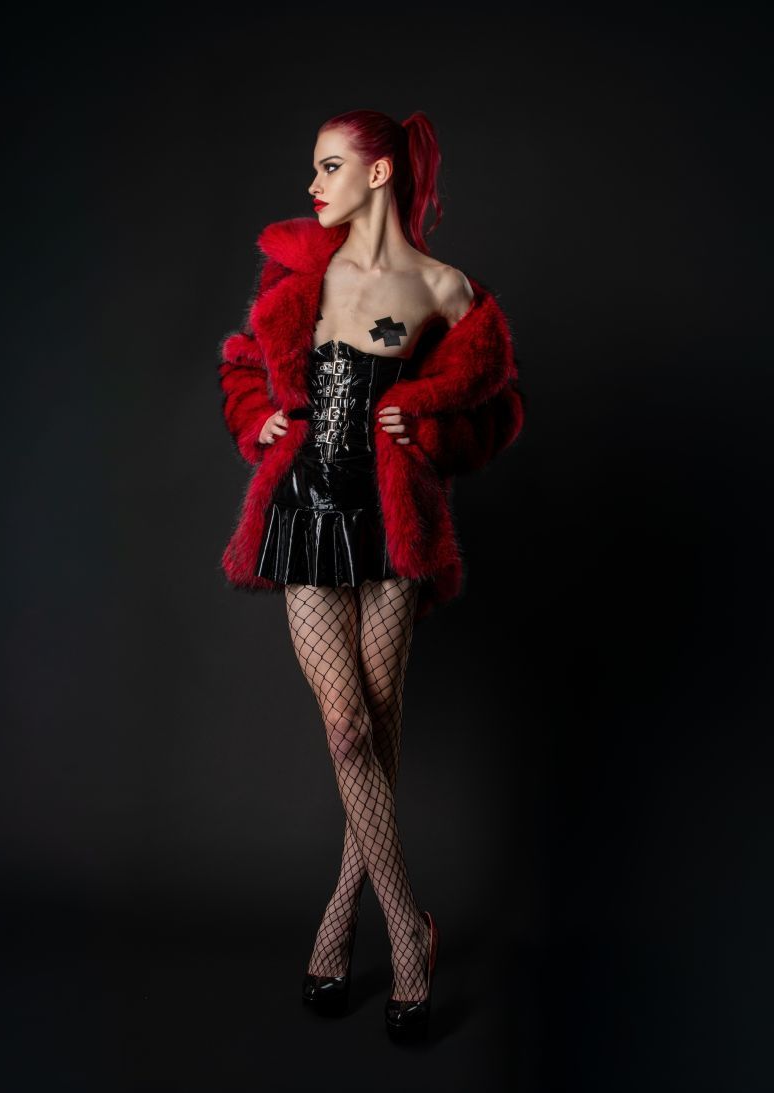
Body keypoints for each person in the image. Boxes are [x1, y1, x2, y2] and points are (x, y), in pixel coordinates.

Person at [216, 109, 524, 1042]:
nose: (314, 184)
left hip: (391, 521)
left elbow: (495, 407)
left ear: (378, 173)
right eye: (315, 169)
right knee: (349, 730)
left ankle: (339, 917)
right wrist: (256, 420)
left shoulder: (443, 287)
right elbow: (242, 367)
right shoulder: (298, 271)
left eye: (330, 166)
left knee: (376, 730)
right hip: (305, 510)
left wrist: (427, 425)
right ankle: (406, 930)